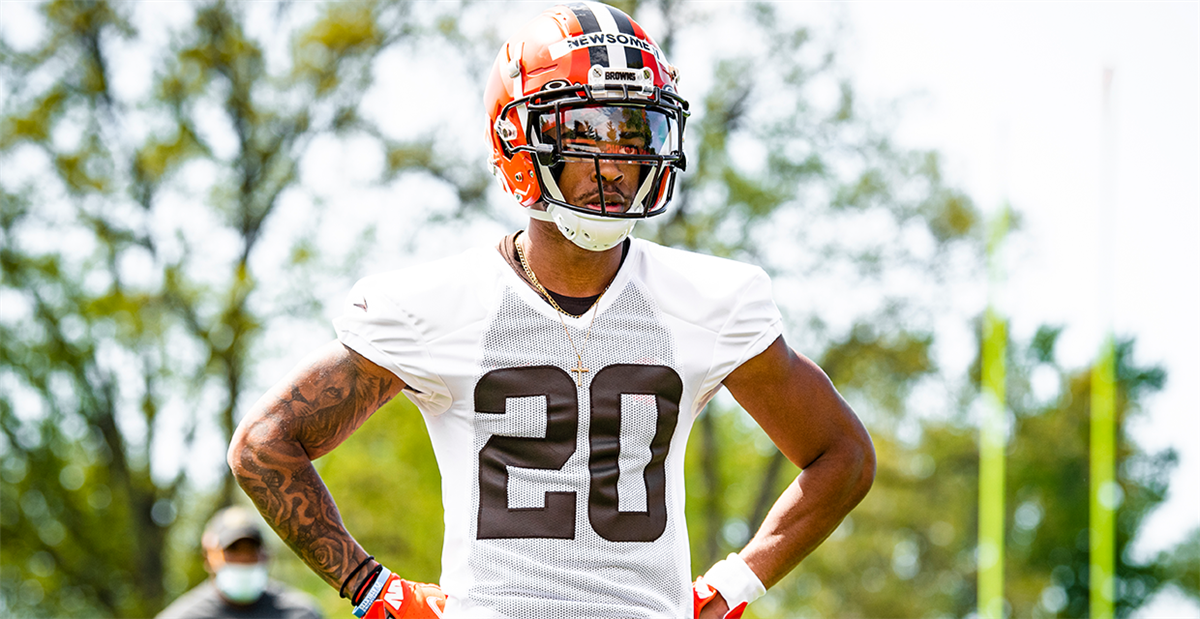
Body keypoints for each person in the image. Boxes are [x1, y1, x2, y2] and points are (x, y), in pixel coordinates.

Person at [228, 2, 875, 618]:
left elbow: (842, 453)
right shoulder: (434, 305)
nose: (617, 160)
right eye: (590, 130)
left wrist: (734, 582)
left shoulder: (711, 300)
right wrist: (371, 585)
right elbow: (265, 443)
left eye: (635, 130)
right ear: (518, 138)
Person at [156, 506, 324, 619]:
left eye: (251, 550)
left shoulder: (301, 613)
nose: (243, 559)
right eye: (233, 550)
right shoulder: (183, 616)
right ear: (209, 557)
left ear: (266, 555)